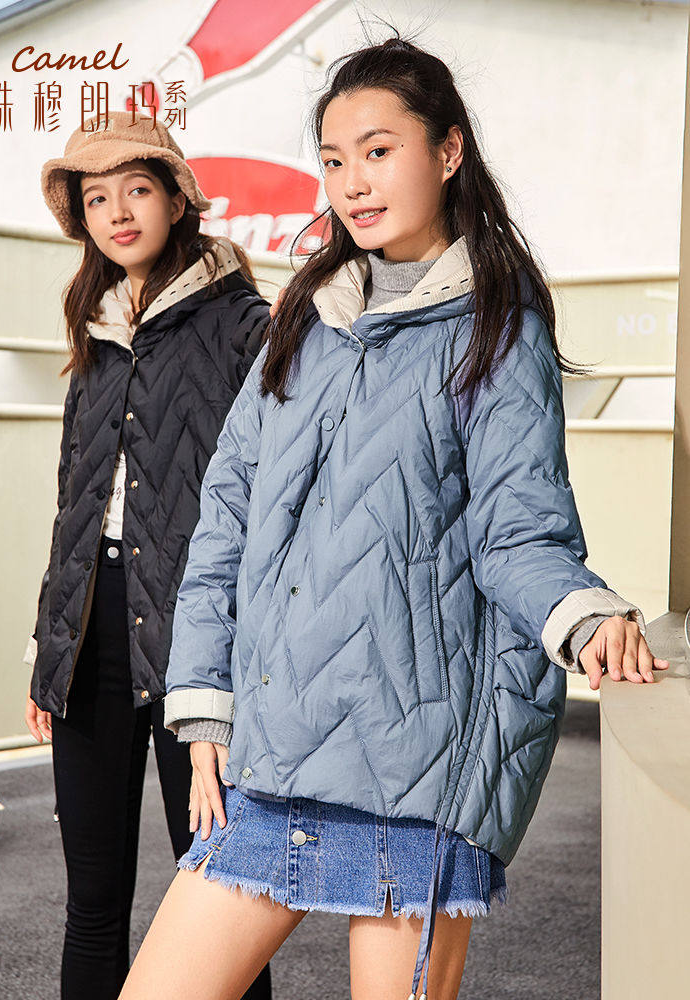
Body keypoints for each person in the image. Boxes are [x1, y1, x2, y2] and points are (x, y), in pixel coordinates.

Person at [118, 39, 669, 1000]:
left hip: (419, 763)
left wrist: (584, 615)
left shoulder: (497, 325)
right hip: (277, 752)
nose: (353, 183)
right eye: (334, 161)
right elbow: (227, 517)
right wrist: (203, 695)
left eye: (378, 152)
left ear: (447, 151)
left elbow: (518, 527)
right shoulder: (303, 321)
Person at [23, 111, 273, 1000]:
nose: (118, 213)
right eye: (97, 199)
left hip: (195, 636)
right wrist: (47, 648)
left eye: (136, 190)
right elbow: (74, 500)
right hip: (90, 635)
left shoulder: (244, 324)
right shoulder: (92, 326)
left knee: (220, 899)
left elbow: (269, 494)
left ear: (177, 199)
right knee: (91, 904)